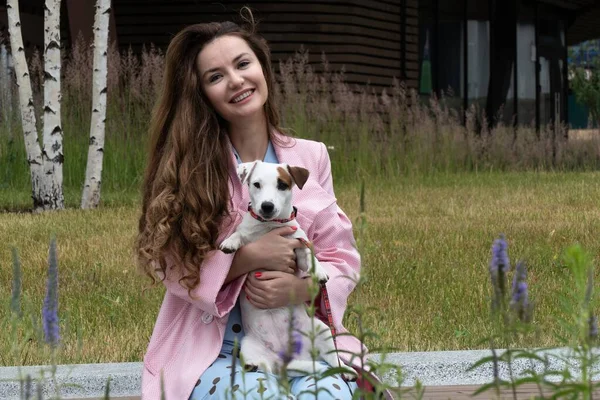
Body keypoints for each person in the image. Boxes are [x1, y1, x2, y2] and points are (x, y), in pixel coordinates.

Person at [135, 14, 370, 400]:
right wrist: (244, 258)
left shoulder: (310, 157)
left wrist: (303, 286)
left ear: (262, 67)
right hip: (216, 348)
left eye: (243, 64)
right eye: (215, 76)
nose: (236, 80)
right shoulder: (189, 166)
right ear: (201, 94)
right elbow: (172, 265)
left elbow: (339, 255)